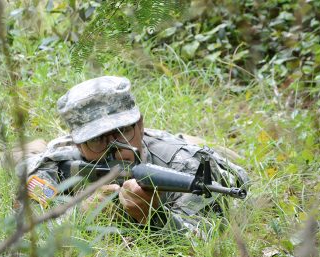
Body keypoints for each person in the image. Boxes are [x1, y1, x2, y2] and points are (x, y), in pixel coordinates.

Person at [16, 76, 248, 233]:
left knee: (214, 152)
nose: (114, 148)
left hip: (177, 152)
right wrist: (81, 213)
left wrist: (155, 217)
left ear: (140, 123)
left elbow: (201, 240)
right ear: (78, 143)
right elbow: (27, 220)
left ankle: (192, 140)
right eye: (97, 138)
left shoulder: (186, 167)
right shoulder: (61, 157)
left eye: (123, 131)